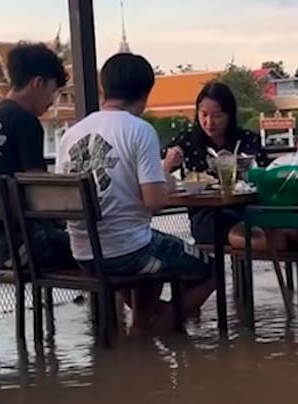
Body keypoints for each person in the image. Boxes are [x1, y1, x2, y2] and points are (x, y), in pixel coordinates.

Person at [55, 52, 214, 333]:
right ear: (145, 93)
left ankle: (147, 323)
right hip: (129, 251)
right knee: (210, 272)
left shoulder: (70, 134)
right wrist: (168, 183)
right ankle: (151, 334)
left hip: (82, 253)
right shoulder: (140, 131)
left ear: (105, 89)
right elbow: (154, 201)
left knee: (149, 261)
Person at [162, 81, 298, 252]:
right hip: (207, 214)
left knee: (282, 225)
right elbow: (155, 174)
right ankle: (279, 244)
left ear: (230, 115)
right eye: (204, 115)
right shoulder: (188, 140)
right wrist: (168, 163)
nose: (209, 122)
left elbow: (265, 175)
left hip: (248, 209)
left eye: (217, 116)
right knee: (254, 235)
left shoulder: (247, 140)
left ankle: (285, 243)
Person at [0, 42, 73, 269]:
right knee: (103, 249)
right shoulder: (23, 119)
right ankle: (113, 305)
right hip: (30, 245)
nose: (52, 101)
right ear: (37, 83)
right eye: (52, 91)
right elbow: (39, 188)